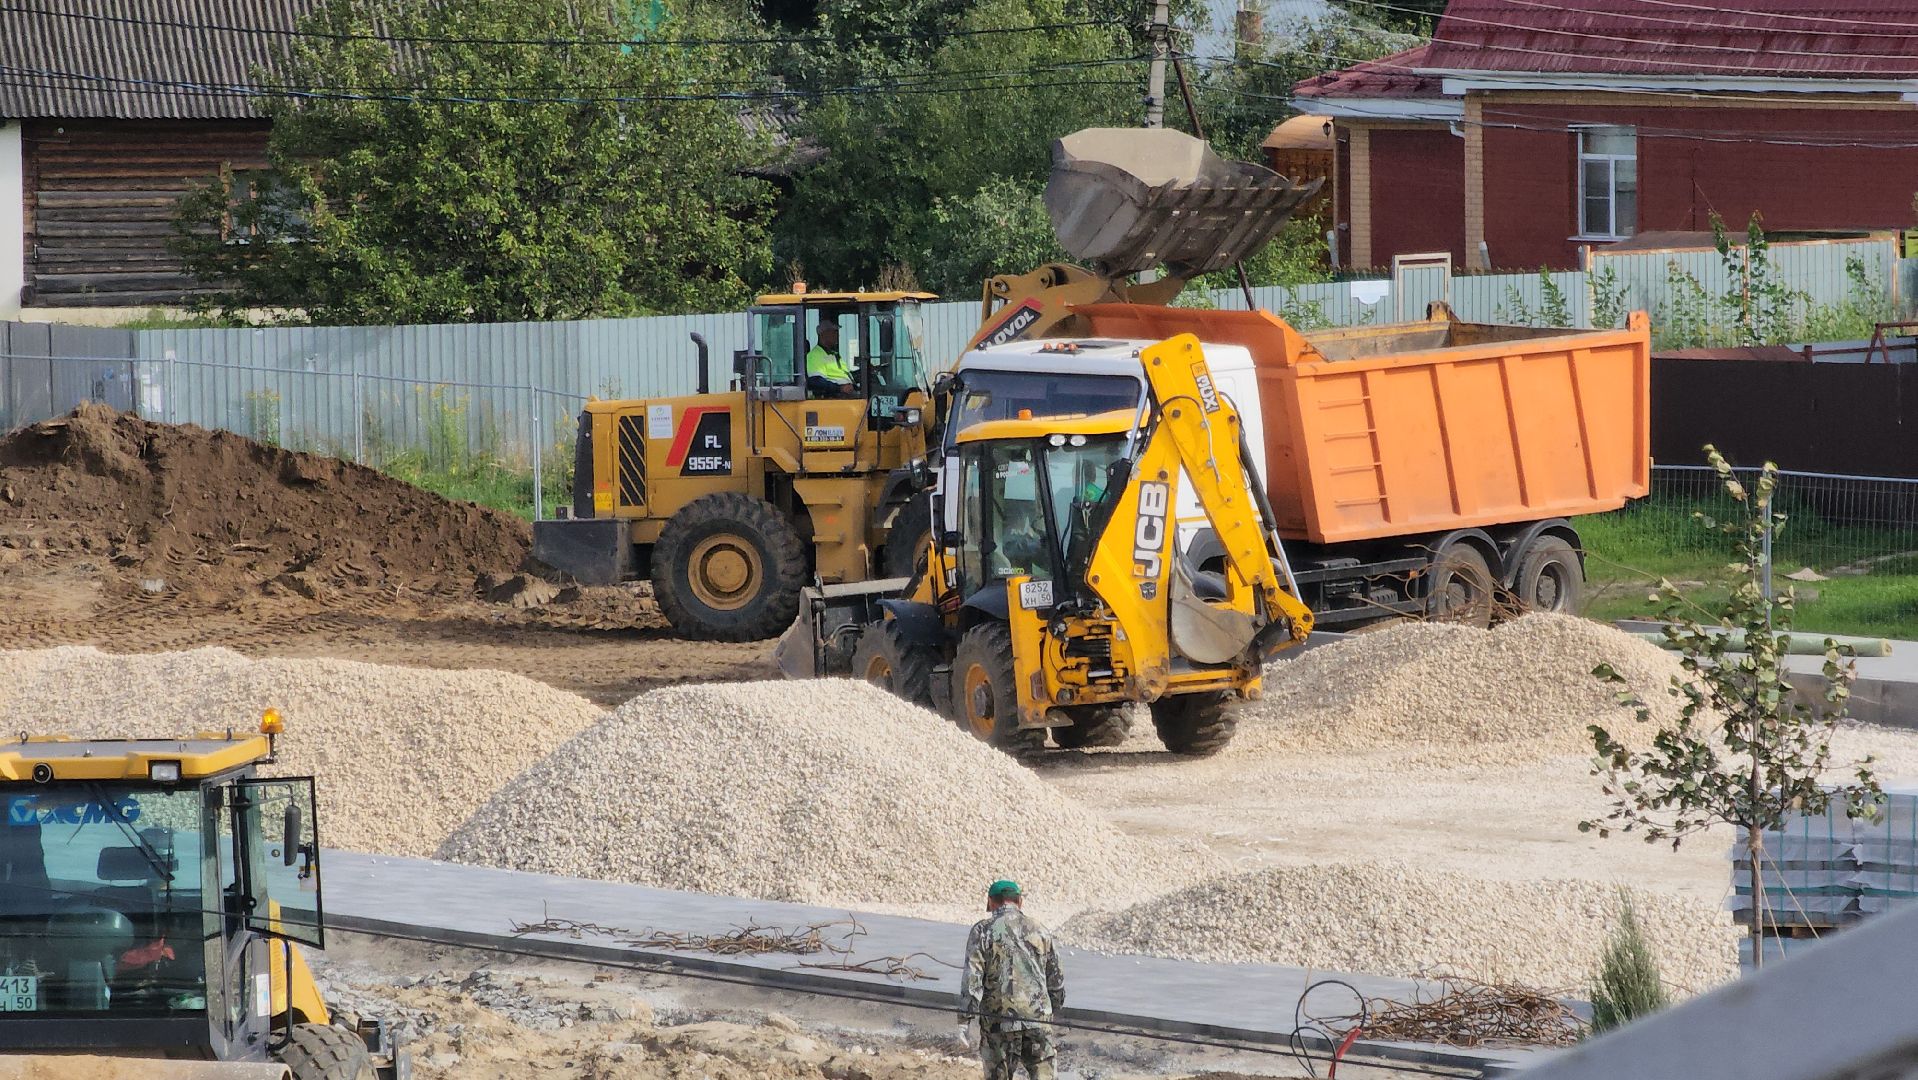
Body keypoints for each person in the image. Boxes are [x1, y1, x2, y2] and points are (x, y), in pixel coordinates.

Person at [958, 879, 1065, 1080]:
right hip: (1037, 1020)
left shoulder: (982, 931)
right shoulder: (1040, 929)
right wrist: (1052, 1008)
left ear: (991, 902)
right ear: (1020, 902)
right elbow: (1056, 978)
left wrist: (964, 1019)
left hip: (999, 1023)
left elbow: (972, 979)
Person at [805, 320, 857, 398]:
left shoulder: (834, 354)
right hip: (834, 397)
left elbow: (845, 374)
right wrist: (840, 388)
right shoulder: (814, 355)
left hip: (847, 394)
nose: (837, 335)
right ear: (823, 334)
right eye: (834, 332)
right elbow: (815, 381)